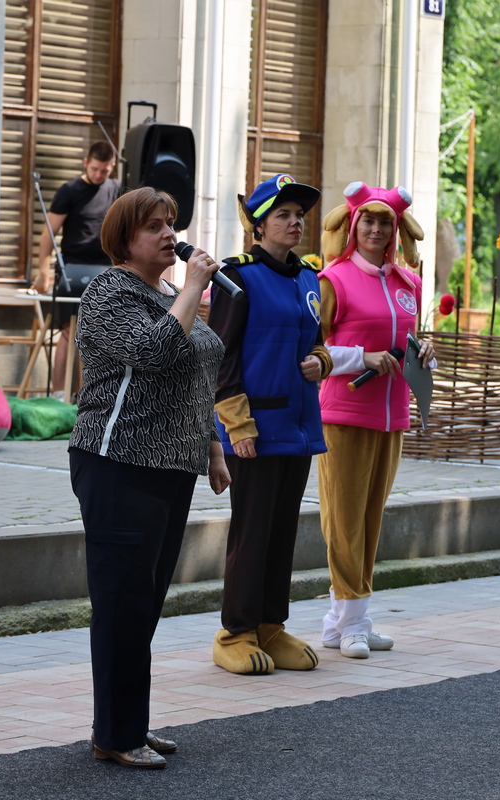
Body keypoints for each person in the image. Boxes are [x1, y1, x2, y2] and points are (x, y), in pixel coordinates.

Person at [68, 186, 230, 769]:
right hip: (119, 463)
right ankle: (116, 733)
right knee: (122, 603)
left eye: (171, 224)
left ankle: (127, 723)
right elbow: (153, 352)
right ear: (124, 238)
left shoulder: (165, 293)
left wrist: (213, 446)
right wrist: (191, 290)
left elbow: (197, 377)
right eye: (154, 226)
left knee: (145, 602)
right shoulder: (108, 291)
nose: (170, 235)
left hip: (171, 467)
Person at [207, 174, 333, 675]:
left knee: (282, 533)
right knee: (252, 533)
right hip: (255, 428)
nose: (295, 222)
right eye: (283, 215)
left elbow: (316, 340)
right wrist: (237, 425)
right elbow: (220, 356)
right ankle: (235, 632)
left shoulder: (308, 277)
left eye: (299, 215)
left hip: (298, 427)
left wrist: (322, 361)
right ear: (258, 226)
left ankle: (270, 626)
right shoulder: (237, 276)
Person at [315, 181, 434, 659]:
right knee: (343, 522)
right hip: (344, 413)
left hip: (392, 416)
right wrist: (360, 358)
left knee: (369, 520)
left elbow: (408, 338)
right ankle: (352, 623)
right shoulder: (333, 280)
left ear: (395, 229)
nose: (377, 229)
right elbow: (313, 349)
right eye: (369, 220)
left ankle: (342, 623)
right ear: (353, 224)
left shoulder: (410, 283)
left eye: (386, 222)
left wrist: (424, 350)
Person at [31, 140, 121, 400]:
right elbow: (48, 233)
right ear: (85, 163)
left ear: (113, 167)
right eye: (95, 169)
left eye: (105, 170)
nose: (99, 175)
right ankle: (60, 394)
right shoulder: (69, 190)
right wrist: (43, 271)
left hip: (106, 269)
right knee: (69, 332)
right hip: (72, 269)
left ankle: (93, 395)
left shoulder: (116, 189)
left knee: (102, 332)